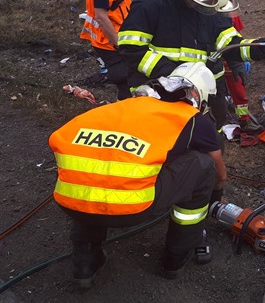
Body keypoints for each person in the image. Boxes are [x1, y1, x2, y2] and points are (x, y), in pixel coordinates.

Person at [49, 62, 226, 287]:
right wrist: (219, 186)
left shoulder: (126, 107)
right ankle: (175, 259)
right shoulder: (192, 118)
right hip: (132, 209)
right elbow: (217, 165)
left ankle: (85, 263)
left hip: (69, 199)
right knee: (202, 165)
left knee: (92, 177)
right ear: (199, 95)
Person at [118, 0, 265, 131]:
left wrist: (263, 47)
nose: (202, 4)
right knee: (167, 138)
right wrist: (175, 73)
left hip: (204, 89)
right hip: (161, 89)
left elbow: (230, 43)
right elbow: (131, 49)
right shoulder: (149, 5)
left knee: (211, 134)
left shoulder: (207, 7)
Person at [80, 0, 147, 100]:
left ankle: (124, 105)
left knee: (128, 77)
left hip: (118, 36)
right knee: (124, 77)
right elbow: (101, 17)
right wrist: (119, 44)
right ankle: (124, 110)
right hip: (108, 41)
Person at [218, 0, 263, 134]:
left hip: (226, 54)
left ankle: (243, 120)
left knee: (237, 87)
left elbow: (236, 37)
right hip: (206, 57)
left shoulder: (227, 8)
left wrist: (236, 61)